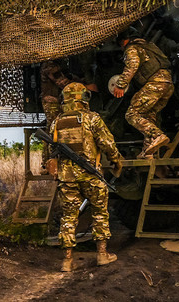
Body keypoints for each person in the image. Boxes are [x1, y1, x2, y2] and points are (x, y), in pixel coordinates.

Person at [51, 82, 122, 272]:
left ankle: (67, 260)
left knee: (68, 217)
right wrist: (116, 161)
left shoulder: (57, 122)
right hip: (91, 176)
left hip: (67, 178)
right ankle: (102, 254)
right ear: (84, 98)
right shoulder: (92, 118)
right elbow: (107, 144)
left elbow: (50, 151)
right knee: (100, 213)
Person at [111, 36, 175, 158]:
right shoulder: (148, 46)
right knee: (148, 115)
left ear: (123, 42)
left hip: (155, 83)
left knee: (132, 114)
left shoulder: (132, 48)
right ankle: (148, 151)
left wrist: (120, 85)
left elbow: (132, 66)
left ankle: (157, 135)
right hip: (167, 84)